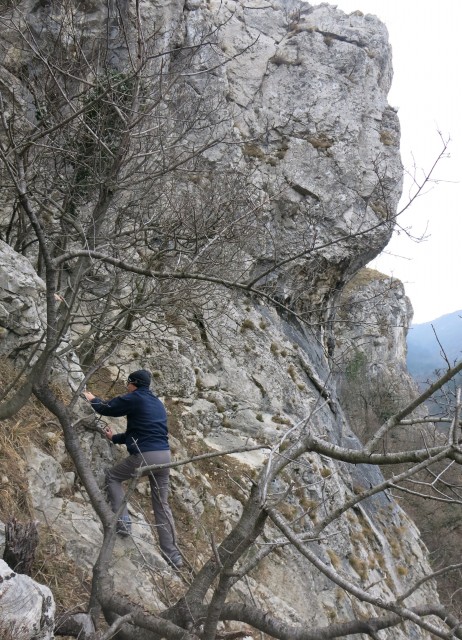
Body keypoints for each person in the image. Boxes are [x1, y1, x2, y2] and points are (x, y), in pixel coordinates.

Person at [83, 370, 183, 569]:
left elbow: (107, 408)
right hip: (165, 456)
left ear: (133, 383)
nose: (126, 386)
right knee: (162, 504)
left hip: (146, 455)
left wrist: (92, 398)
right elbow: (137, 431)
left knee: (112, 477)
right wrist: (114, 438)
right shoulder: (157, 403)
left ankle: (123, 523)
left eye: (127, 383)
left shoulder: (135, 397)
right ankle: (173, 555)